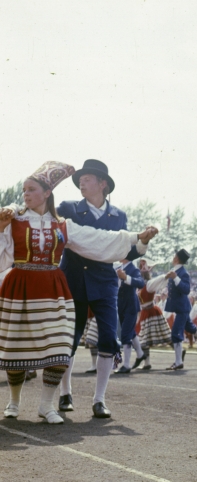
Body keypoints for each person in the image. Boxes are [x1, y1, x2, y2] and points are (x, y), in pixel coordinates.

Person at [0, 162, 156, 423]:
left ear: (47, 192)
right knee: (19, 346)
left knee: (61, 346)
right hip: (24, 286)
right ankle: (14, 401)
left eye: (31, 189)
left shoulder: (63, 224)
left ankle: (48, 405)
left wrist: (134, 238)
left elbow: (97, 239)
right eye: (23, 190)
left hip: (55, 288)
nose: (25, 194)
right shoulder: (14, 219)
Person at [56, 159, 157, 418]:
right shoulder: (68, 208)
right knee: (71, 338)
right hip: (74, 280)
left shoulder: (119, 215)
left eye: (87, 178)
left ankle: (99, 399)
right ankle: (65, 393)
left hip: (104, 283)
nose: (82, 182)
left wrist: (142, 242)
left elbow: (124, 251)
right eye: (80, 179)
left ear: (103, 184)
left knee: (108, 338)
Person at [151, 248, 197, 370]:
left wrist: (175, 278)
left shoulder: (183, 273)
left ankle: (178, 361)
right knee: (190, 328)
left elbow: (186, 290)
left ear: (176, 258)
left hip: (182, 307)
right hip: (180, 307)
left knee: (176, 333)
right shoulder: (176, 271)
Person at [137, 260, 173, 368]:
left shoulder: (148, 284)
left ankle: (179, 352)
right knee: (144, 339)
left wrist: (165, 276)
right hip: (145, 312)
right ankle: (147, 363)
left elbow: (159, 280)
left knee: (164, 335)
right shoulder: (140, 286)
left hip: (152, 312)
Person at [114, 259, 146, 373]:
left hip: (131, 305)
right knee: (129, 332)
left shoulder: (133, 269)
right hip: (121, 304)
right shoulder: (117, 266)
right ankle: (141, 354)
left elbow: (141, 283)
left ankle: (126, 364)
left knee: (125, 334)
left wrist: (125, 277)